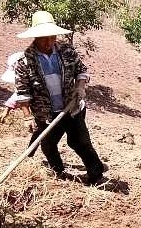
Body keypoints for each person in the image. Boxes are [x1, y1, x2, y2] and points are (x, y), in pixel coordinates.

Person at [13, 11, 106, 186]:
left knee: (80, 142)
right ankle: (58, 172)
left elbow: (82, 71)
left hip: (71, 109)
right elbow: (23, 91)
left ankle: (96, 174)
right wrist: (27, 117)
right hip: (45, 113)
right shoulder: (24, 62)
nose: (49, 42)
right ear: (35, 37)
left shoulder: (67, 51)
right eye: (44, 38)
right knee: (48, 144)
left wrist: (80, 87)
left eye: (52, 37)